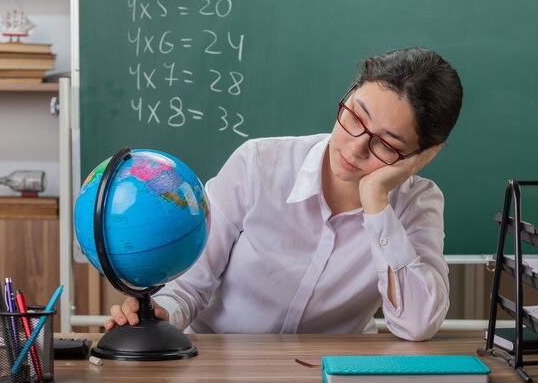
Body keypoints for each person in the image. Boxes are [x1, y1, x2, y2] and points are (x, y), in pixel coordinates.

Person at [104, 47, 463, 341]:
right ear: (350, 93)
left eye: (386, 144)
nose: (355, 149)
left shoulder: (417, 203)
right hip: (224, 366)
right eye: (355, 117)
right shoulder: (256, 164)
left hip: (331, 372)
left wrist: (377, 204)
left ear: (421, 156)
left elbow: (417, 324)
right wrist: (165, 312)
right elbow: (189, 288)